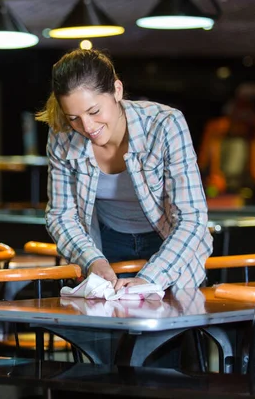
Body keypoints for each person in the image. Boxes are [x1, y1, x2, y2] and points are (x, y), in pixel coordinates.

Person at [36, 49, 212, 290]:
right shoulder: (62, 135)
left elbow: (192, 218)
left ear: (117, 90)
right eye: (73, 117)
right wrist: (92, 260)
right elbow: (61, 215)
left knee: (170, 324)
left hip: (170, 245)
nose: (87, 126)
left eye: (94, 111)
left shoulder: (165, 123)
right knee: (108, 324)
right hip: (107, 245)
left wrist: (149, 279)